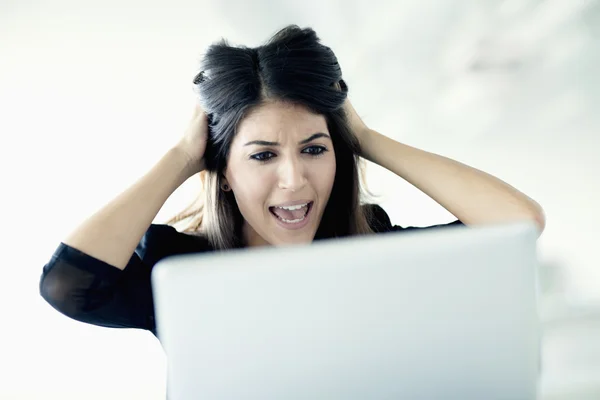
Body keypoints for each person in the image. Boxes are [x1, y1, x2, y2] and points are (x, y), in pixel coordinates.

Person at [39, 25, 545, 337]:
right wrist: (180, 157)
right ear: (225, 173)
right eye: (262, 155)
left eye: (314, 149)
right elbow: (68, 286)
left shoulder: (376, 252)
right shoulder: (181, 269)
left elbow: (517, 224)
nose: (294, 180)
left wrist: (364, 137)